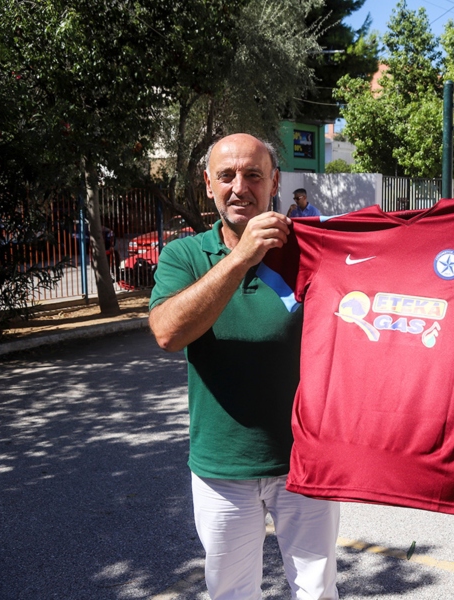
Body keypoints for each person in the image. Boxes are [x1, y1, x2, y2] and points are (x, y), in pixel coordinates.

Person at [148, 133, 340, 600]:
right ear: (208, 184)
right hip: (221, 468)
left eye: (253, 174)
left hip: (306, 463)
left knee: (317, 591)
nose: (239, 187)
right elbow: (168, 333)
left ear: (274, 182)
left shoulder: (312, 252)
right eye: (226, 176)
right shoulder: (184, 255)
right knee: (231, 592)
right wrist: (240, 258)